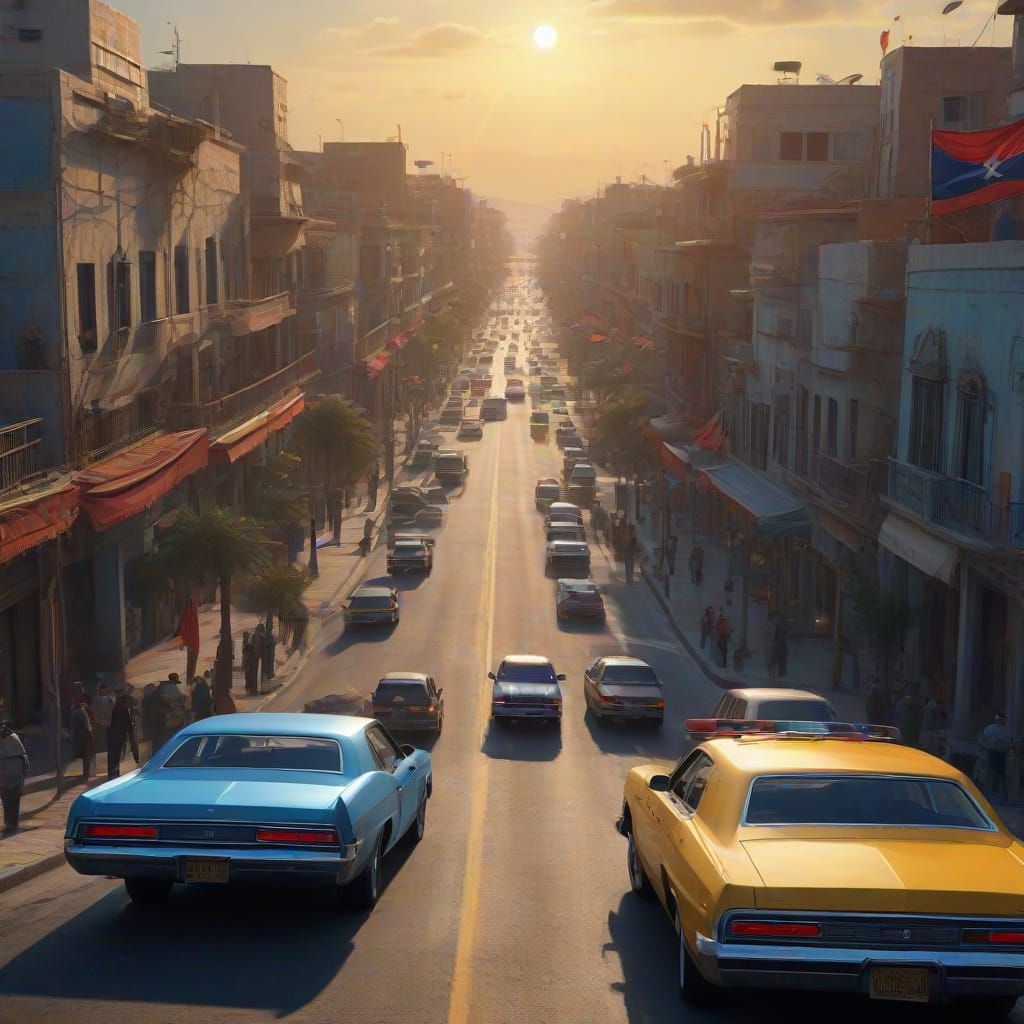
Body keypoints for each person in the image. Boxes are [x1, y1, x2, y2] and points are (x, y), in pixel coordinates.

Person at [0, 720, 29, 833]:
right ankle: (12, 824)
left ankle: (10, 824)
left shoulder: (7, 740)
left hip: (7, 776)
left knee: (8, 800)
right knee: (13, 800)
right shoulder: (15, 738)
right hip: (14, 775)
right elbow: (24, 758)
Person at [980, 712, 1014, 800]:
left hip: (999, 754)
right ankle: (990, 792)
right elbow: (984, 740)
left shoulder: (1005, 730)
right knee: (992, 772)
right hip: (993, 753)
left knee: (998, 773)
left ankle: (995, 792)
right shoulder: (991, 729)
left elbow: (1009, 742)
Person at [106, 689, 139, 780]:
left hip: (117, 735)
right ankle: (113, 774)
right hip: (116, 735)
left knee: (115, 755)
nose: (130, 706)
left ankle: (114, 773)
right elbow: (127, 725)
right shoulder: (121, 710)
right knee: (114, 755)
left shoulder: (119, 708)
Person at [70, 695, 94, 780]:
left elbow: (72, 726)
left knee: (84, 755)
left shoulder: (73, 712)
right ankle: (86, 774)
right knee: (87, 756)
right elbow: (87, 726)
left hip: (78, 736)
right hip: (85, 737)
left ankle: (85, 773)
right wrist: (91, 735)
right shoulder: (82, 712)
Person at [92, 682, 114, 754]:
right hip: (101, 723)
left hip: (102, 723)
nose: (101, 691)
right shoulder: (96, 699)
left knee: (103, 740)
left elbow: (112, 710)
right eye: (101, 690)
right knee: (102, 740)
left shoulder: (108, 699)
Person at [242, 630, 258, 695]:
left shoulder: (247, 645)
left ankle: (249, 687)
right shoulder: (246, 645)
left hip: (249, 663)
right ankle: (249, 687)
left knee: (248, 675)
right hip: (248, 663)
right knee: (248, 675)